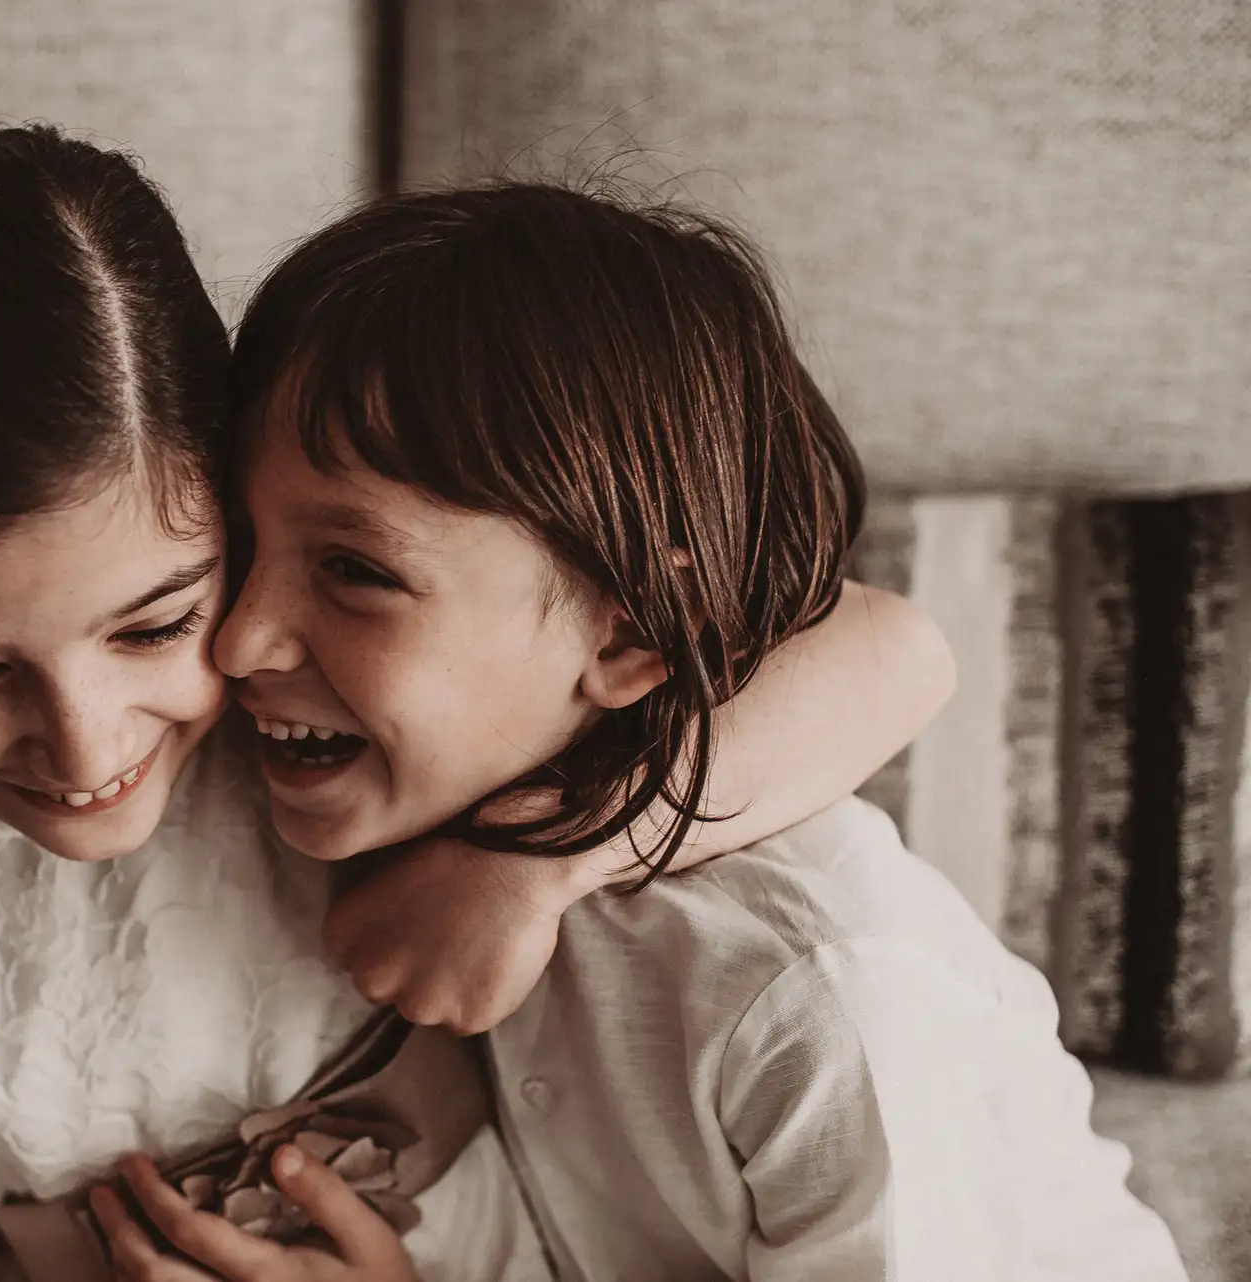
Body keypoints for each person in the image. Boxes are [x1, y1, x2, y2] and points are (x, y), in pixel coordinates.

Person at [0, 91, 953, 1281]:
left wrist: (534, 866)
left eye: (161, 622)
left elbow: (893, 649)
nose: (87, 744)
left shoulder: (364, 733)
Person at [99, 181, 1189, 1281]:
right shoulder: (421, 803)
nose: (237, 641)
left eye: (355, 570)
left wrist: (527, 868)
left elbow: (904, 648)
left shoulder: (813, 993)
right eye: (242, 543)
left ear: (627, 635)